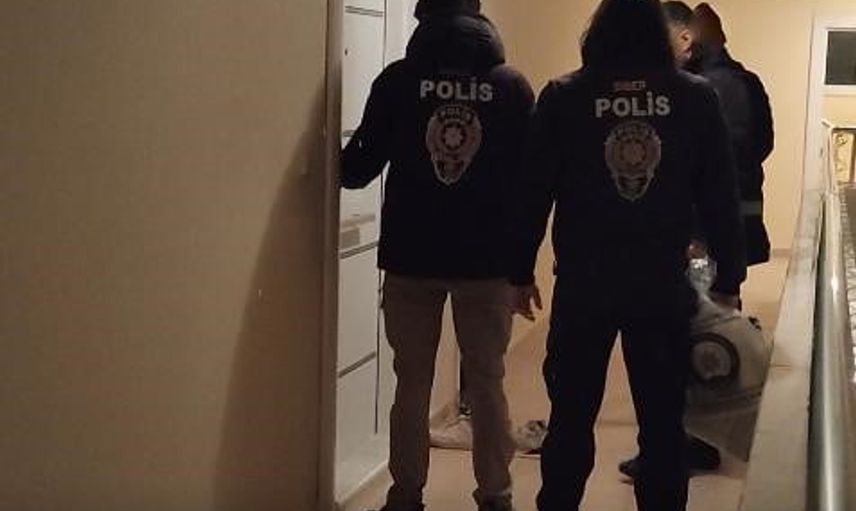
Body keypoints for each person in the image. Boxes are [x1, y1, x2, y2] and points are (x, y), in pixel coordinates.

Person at [509, 0, 746, 510]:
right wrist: (730, 276)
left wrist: (519, 271)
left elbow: (532, 192)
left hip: (584, 282)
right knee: (663, 423)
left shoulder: (565, 95)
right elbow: (720, 193)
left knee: (570, 417)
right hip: (660, 283)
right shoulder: (693, 97)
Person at [341, 1, 535, 510]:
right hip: (487, 261)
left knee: (412, 381)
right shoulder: (510, 87)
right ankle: (495, 495)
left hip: (411, 256)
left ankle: (405, 494)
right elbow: (530, 183)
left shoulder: (398, 82)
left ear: (423, 17)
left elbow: (357, 169)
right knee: (488, 380)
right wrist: (522, 266)